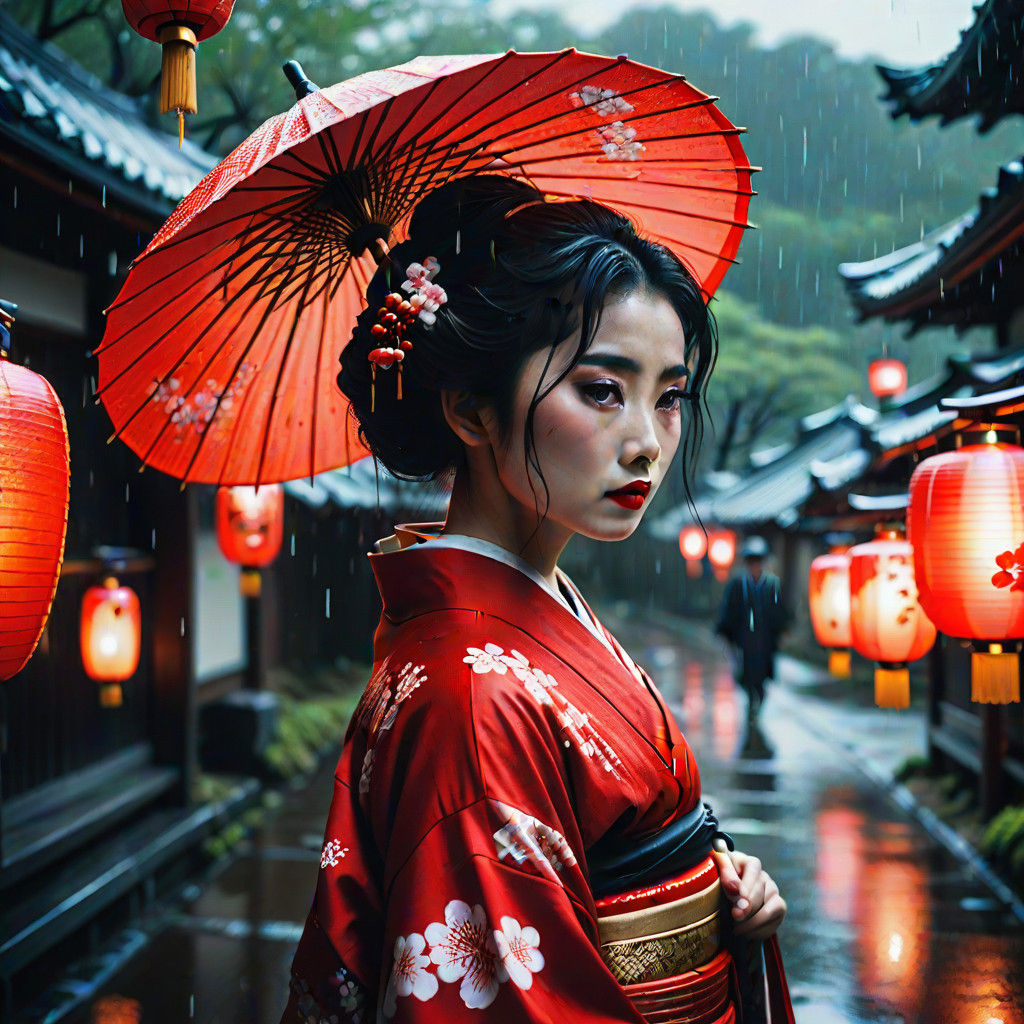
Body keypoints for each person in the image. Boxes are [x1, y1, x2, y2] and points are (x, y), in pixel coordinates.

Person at [281, 175, 792, 1024]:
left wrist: (722, 882)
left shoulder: (540, 608)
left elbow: (635, 845)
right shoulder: (470, 689)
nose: (647, 443)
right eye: (602, 389)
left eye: (668, 397)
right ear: (472, 410)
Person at [715, 536, 789, 715]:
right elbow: (730, 610)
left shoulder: (772, 585)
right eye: (751, 562)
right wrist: (725, 632)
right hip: (744, 639)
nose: (755, 566)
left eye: (758, 561)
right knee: (745, 674)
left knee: (762, 674)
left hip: (764, 640)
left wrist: (782, 629)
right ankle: (751, 700)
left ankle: (759, 698)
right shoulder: (738, 585)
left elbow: (779, 611)